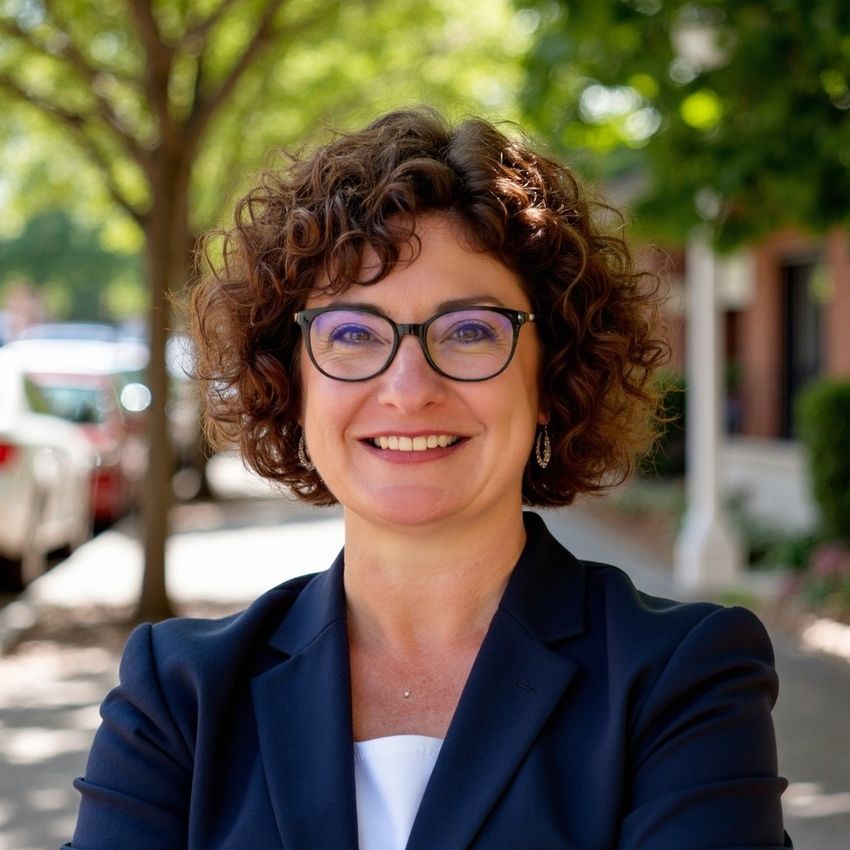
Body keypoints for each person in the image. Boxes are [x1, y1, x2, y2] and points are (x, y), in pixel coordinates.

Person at [65, 109, 792, 849]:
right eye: (351, 334)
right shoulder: (178, 696)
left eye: (471, 331)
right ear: (293, 385)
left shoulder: (683, 681)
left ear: (551, 377)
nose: (409, 388)